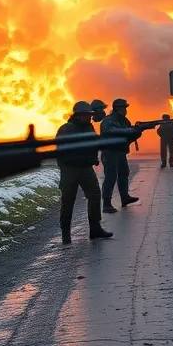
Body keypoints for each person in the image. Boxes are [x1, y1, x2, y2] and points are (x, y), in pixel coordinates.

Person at [56, 101, 113, 245]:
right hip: (70, 169)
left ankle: (95, 229)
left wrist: (93, 156)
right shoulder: (66, 130)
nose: (90, 117)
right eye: (87, 115)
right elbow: (60, 151)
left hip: (86, 168)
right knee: (68, 200)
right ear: (78, 116)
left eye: (90, 115)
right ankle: (66, 234)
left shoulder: (89, 128)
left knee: (95, 195)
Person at [99, 99, 141, 213]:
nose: (125, 110)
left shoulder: (124, 121)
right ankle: (107, 204)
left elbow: (129, 137)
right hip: (110, 152)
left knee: (124, 173)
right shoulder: (108, 121)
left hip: (120, 151)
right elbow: (110, 132)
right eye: (123, 108)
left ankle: (125, 197)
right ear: (117, 109)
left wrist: (137, 131)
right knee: (110, 177)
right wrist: (129, 130)